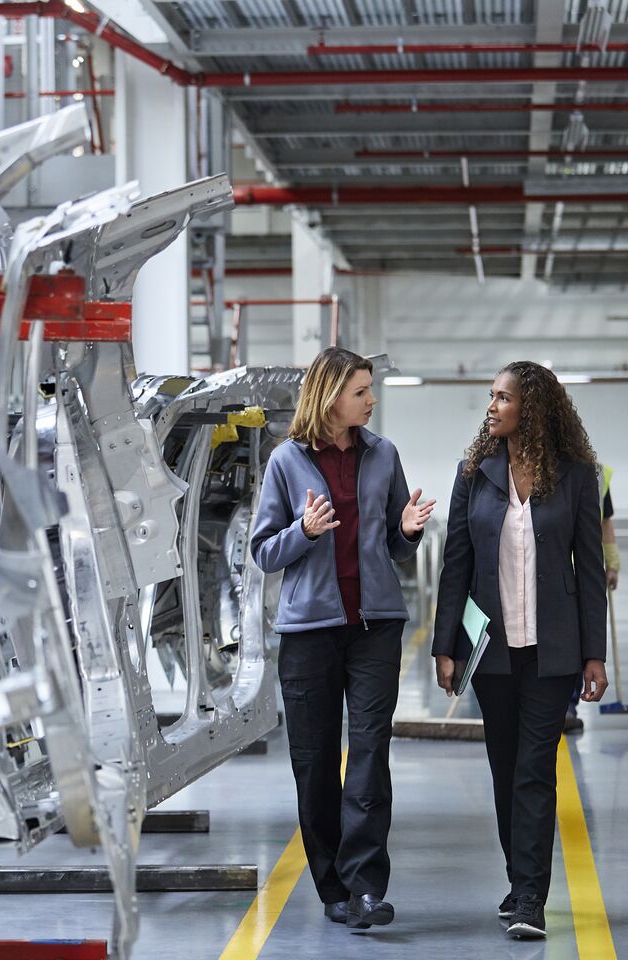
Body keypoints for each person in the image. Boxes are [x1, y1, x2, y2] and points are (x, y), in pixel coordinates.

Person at [250, 347, 434, 930]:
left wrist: (406, 532)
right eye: (362, 391)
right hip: (310, 632)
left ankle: (366, 888)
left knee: (371, 754)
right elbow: (262, 552)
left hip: (376, 626)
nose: (372, 399)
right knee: (315, 760)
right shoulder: (285, 462)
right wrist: (302, 532)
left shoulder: (385, 456)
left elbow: (396, 547)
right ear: (331, 397)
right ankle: (332, 886)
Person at [431, 361, 608, 941]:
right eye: (491, 396)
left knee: (535, 771)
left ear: (530, 407)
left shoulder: (578, 477)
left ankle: (531, 897)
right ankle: (518, 881)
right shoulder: (473, 475)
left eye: (502, 397)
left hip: (553, 651)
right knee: (506, 772)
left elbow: (587, 571)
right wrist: (445, 647)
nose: (492, 405)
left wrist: (594, 655)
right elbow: (456, 563)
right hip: (493, 653)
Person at [566, 470, 620, 730]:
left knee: (580, 638)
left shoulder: (599, 474)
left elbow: (605, 523)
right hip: (559, 568)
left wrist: (612, 563)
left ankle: (569, 704)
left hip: (585, 568)